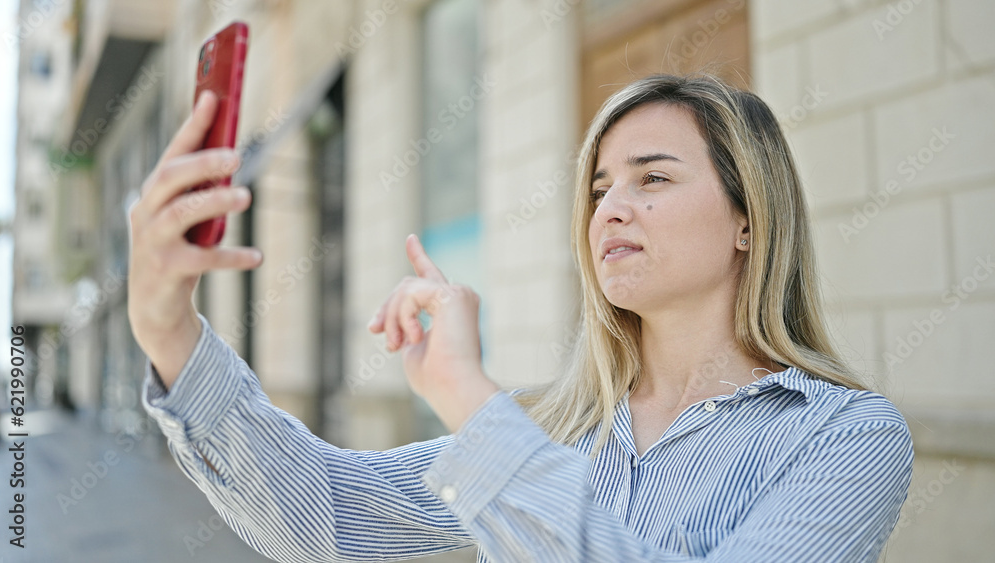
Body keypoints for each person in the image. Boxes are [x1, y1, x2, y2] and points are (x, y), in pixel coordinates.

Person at [128, 73, 913, 562]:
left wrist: (475, 404)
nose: (611, 208)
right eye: (600, 186)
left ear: (751, 219)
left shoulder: (847, 437)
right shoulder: (565, 424)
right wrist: (171, 333)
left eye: (653, 178)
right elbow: (328, 514)